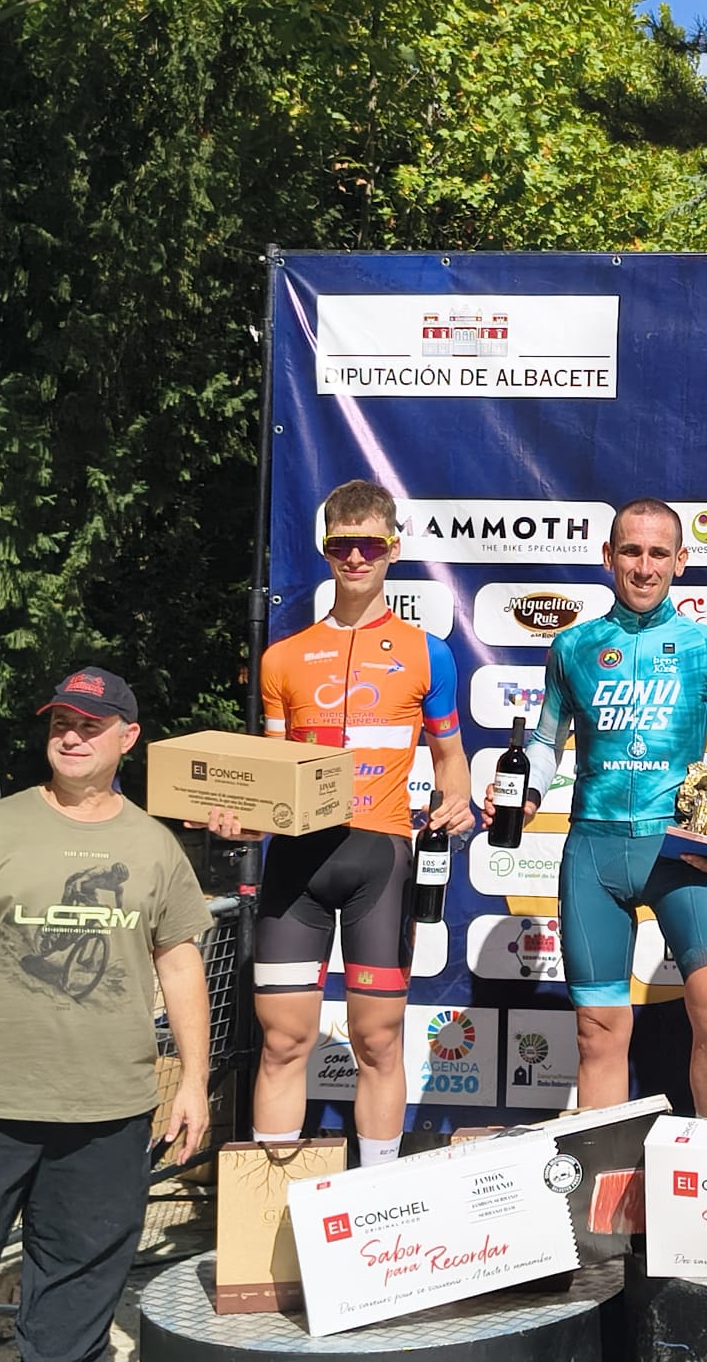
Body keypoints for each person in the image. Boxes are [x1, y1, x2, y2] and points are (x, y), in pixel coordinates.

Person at [0, 666, 210, 1361]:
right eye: (62, 723)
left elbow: (180, 965)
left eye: (90, 725)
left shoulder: (154, 846)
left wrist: (196, 1082)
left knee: (78, 1296)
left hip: (106, 1112)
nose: (72, 737)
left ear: (128, 738)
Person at [493, 497, 707, 1116]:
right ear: (608, 556)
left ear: (681, 561)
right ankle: (604, 1173)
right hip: (595, 851)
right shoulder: (573, 646)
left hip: (679, 850)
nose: (644, 567)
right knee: (597, 1032)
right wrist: (526, 794)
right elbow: (544, 743)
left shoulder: (706, 646)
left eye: (659, 553)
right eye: (632, 552)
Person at [243, 479, 473, 1166]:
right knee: (283, 1041)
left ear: (393, 549)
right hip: (297, 864)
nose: (355, 557)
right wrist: (240, 817)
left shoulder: (428, 652)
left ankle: (379, 1198)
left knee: (377, 1040)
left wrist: (455, 801)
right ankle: (271, 1213)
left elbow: (451, 759)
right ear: (325, 548)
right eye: (342, 545)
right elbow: (271, 773)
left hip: (382, 863)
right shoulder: (282, 658)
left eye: (370, 545)